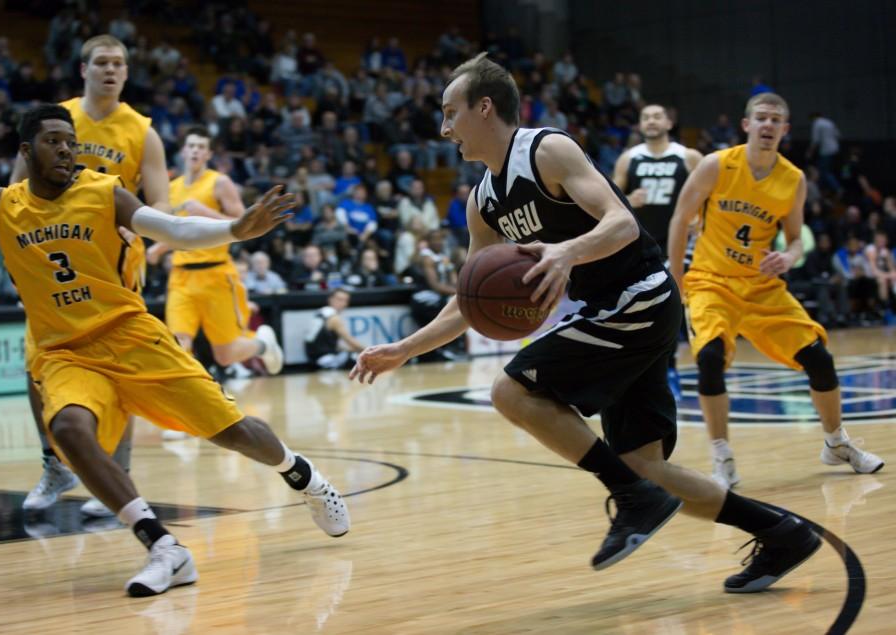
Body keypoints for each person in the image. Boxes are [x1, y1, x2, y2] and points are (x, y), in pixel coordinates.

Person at [350, 54, 822, 594]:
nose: (444, 128)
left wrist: (566, 252)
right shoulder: (482, 203)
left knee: (510, 391)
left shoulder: (547, 149)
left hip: (638, 295)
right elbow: (468, 299)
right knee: (646, 468)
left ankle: (631, 498)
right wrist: (403, 349)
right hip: (613, 309)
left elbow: (621, 222)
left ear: (485, 107)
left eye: (450, 112)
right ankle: (782, 533)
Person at [0, 104, 349, 596]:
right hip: (63, 351)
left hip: (129, 335)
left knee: (234, 432)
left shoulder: (101, 191)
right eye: (53, 140)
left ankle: (303, 476)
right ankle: (164, 548)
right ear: (26, 152)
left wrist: (234, 230)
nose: (67, 148)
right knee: (68, 428)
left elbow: (170, 227)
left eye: (70, 140)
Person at [668, 92, 884, 490]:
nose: (767, 125)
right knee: (710, 359)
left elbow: (797, 240)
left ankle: (836, 443)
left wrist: (789, 257)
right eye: (761, 118)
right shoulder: (717, 165)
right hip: (711, 282)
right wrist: (677, 280)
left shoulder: (794, 179)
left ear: (785, 130)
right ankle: (723, 456)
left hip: (762, 287)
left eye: (775, 120)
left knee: (819, 360)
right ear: (746, 125)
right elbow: (680, 219)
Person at [11, 35, 173, 517]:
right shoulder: (54, 119)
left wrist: (138, 224)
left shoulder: (143, 132)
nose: (111, 70)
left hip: (114, 270)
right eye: (102, 62)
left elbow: (163, 200)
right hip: (55, 264)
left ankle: (116, 477)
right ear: (83, 69)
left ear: (126, 72)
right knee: (36, 366)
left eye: (119, 63)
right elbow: (15, 190)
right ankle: (55, 466)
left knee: (118, 374)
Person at [146, 127, 284, 385]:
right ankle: (184, 408)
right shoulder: (172, 188)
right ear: (184, 151)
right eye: (192, 146)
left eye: (201, 146)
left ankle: (264, 345)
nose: (196, 150)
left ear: (208, 153)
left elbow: (246, 225)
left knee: (225, 355)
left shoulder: (219, 182)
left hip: (216, 274)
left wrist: (203, 211)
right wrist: (157, 247)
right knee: (179, 343)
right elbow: (176, 230)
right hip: (180, 277)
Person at [613, 104, 703, 400]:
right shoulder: (629, 159)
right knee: (640, 311)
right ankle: (642, 371)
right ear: (639, 125)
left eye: (657, 116)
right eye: (646, 117)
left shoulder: (687, 156)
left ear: (669, 121)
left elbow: (714, 195)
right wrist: (629, 200)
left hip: (679, 245)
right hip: (640, 245)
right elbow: (609, 202)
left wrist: (699, 220)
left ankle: (671, 368)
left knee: (671, 308)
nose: (651, 121)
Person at [306, 287, 365, 369]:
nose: (343, 303)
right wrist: (370, 350)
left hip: (314, 358)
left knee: (351, 353)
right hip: (325, 359)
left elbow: (326, 343)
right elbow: (350, 340)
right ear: (330, 299)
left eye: (346, 300)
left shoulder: (320, 313)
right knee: (361, 358)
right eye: (339, 299)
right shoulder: (334, 318)